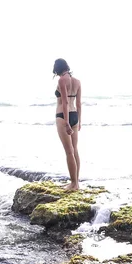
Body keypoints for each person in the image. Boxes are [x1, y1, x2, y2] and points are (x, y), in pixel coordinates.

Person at [53, 58, 82, 191]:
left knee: (69, 152)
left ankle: (73, 184)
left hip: (63, 116)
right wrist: (79, 122)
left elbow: (64, 102)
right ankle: (76, 182)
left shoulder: (61, 80)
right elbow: (79, 104)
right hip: (75, 115)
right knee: (74, 150)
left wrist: (66, 123)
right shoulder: (77, 81)